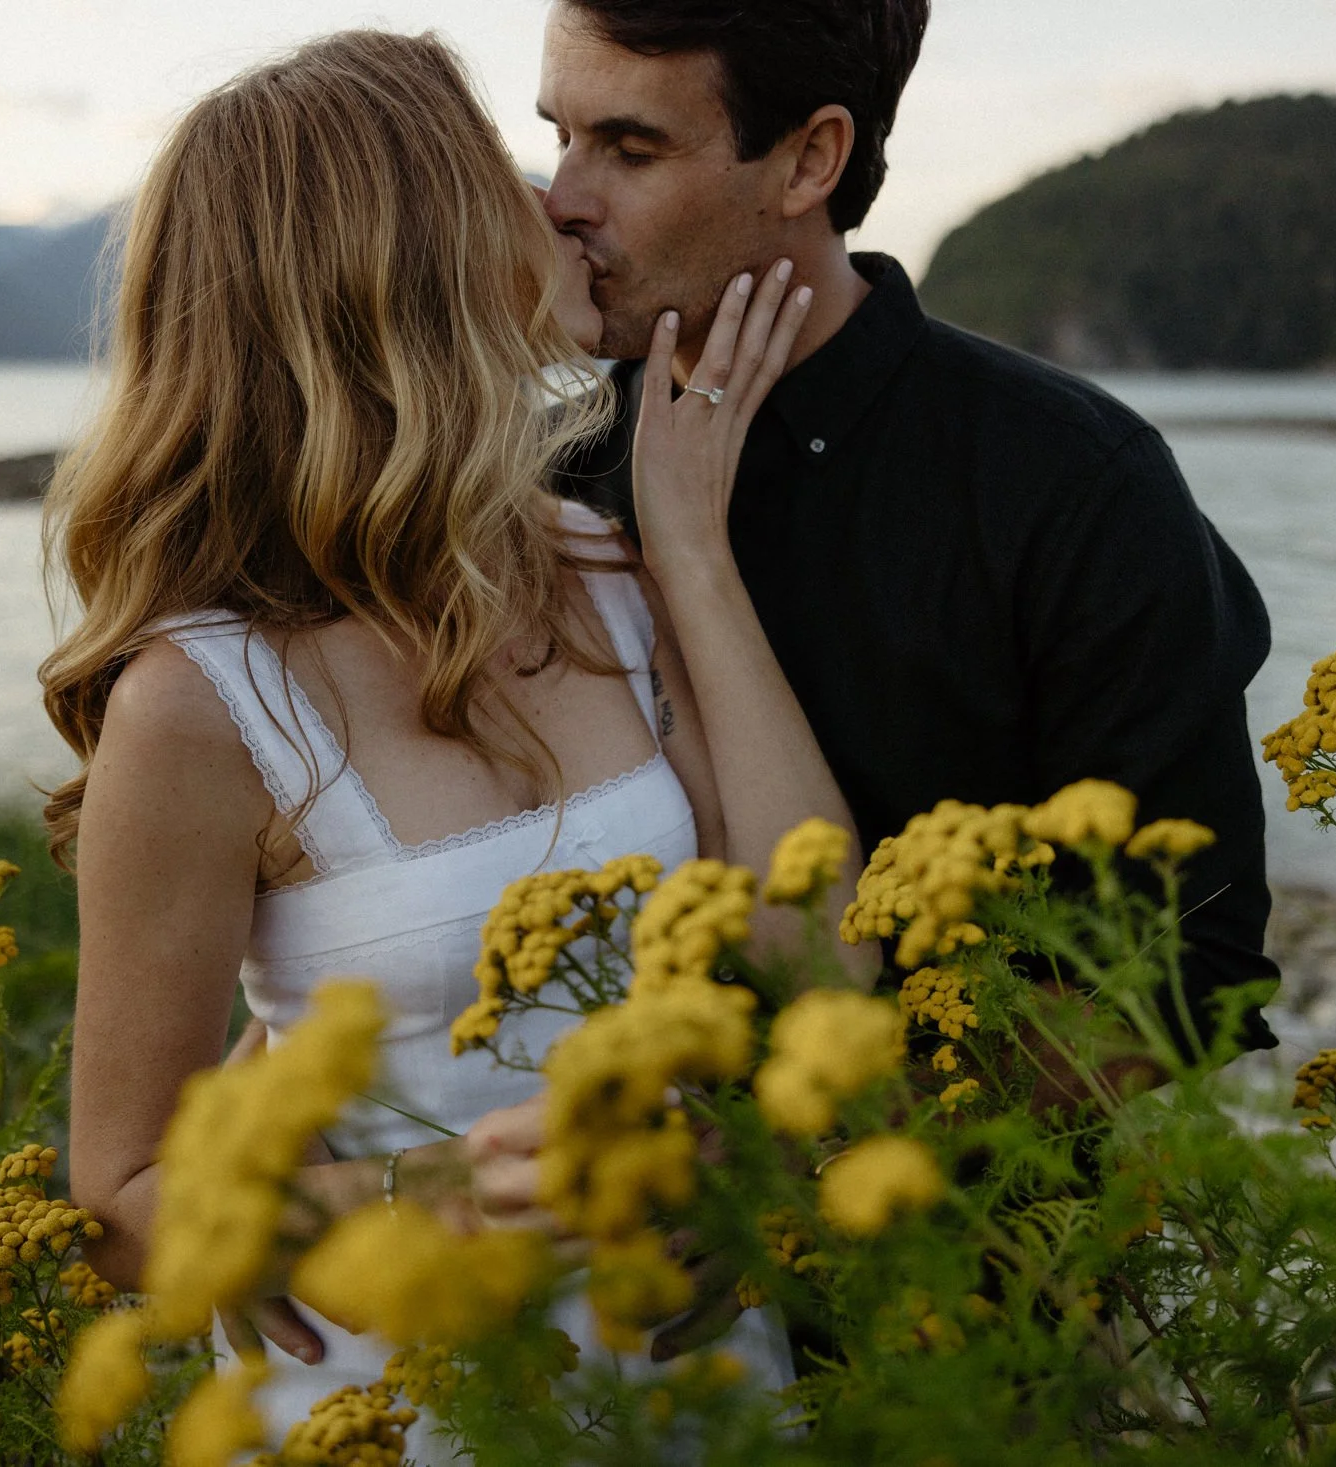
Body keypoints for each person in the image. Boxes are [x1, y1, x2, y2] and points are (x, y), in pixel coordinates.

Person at [42, 29, 863, 1457]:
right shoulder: (200, 701)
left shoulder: (602, 563)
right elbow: (117, 1202)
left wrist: (691, 549)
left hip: (697, 1380)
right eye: (506, 163)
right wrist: (428, 1195)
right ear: (410, 256)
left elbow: (819, 944)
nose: (555, 200)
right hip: (412, 1408)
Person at [536, 0, 1281, 1059]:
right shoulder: (538, 478)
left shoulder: (1070, 483)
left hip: (967, 1217)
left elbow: (1183, 967)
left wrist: (830, 1151)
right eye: (559, 136)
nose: (560, 201)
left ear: (809, 162)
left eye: (630, 148)